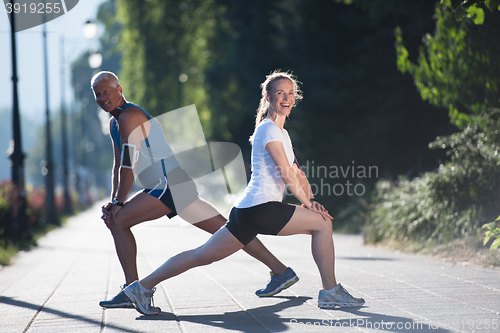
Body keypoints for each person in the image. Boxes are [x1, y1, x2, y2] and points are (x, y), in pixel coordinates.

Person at [122, 71, 365, 315]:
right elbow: (285, 173)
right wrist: (309, 205)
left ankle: (140, 287)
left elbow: (298, 173)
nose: (286, 98)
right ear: (268, 97)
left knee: (201, 255)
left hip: (246, 211)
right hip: (260, 208)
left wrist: (310, 200)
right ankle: (330, 291)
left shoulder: (281, 133)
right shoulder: (268, 130)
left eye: (291, 93)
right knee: (322, 225)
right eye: (280, 93)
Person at [91, 71, 299, 309]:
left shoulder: (129, 116)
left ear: (119, 90)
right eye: (97, 94)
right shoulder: (115, 123)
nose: (102, 97)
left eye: (106, 91)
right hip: (174, 184)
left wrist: (118, 205)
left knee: (118, 222)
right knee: (230, 231)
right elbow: (118, 165)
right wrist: (113, 200)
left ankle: (133, 290)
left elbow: (128, 168)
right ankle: (281, 271)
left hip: (167, 185)